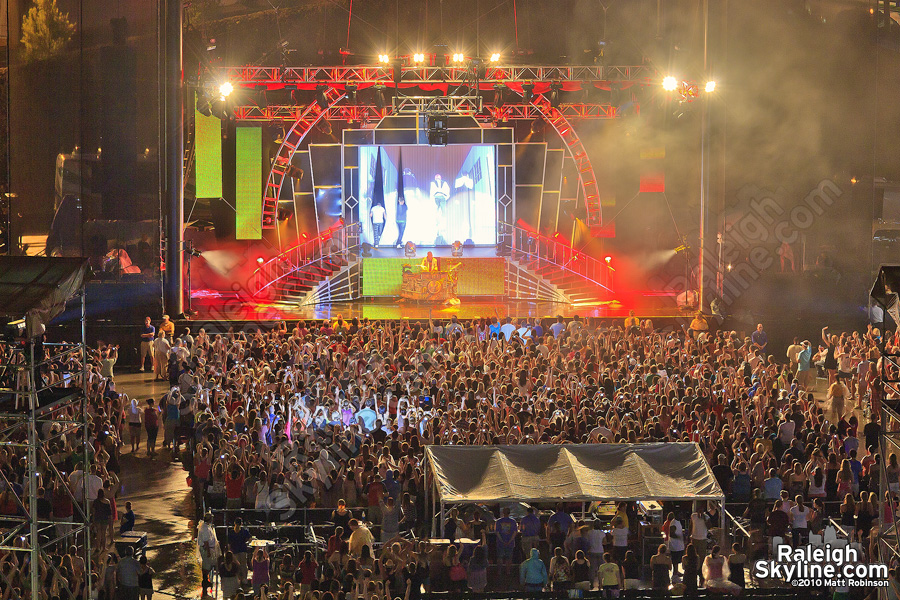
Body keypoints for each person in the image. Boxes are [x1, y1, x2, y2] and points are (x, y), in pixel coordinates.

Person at [197, 512, 221, 598]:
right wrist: (208, 552)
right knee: (207, 565)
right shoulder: (205, 529)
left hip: (208, 548)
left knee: (208, 565)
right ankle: (205, 581)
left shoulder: (205, 526)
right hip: (207, 549)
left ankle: (206, 580)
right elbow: (206, 541)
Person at [495, 507, 517, 575]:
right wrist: (510, 541)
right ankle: (508, 571)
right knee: (509, 557)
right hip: (510, 543)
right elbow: (515, 532)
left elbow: (497, 532)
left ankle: (499, 571)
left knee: (500, 557)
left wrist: (502, 541)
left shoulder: (498, 521)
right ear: (509, 513)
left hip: (500, 543)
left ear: (503, 513)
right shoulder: (513, 521)